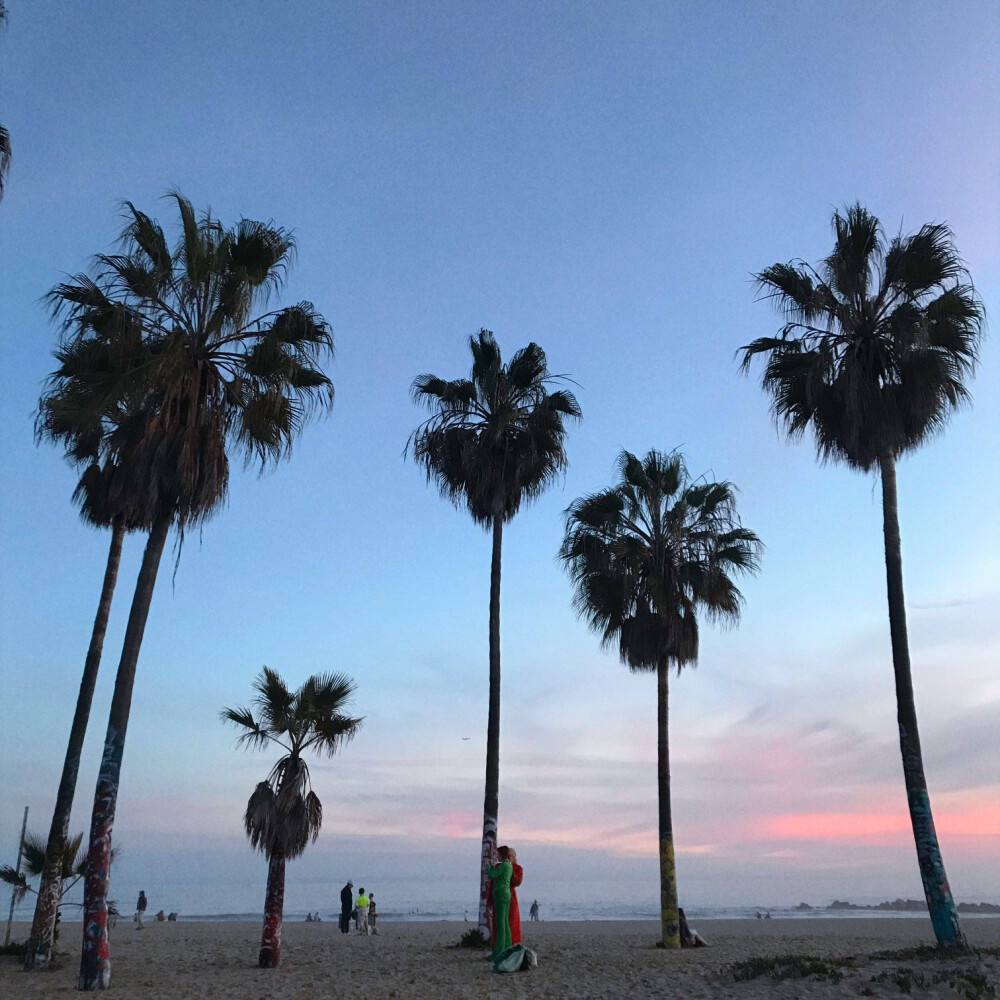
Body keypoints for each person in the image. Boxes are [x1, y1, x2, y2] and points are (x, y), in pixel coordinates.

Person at [485, 845, 513, 960]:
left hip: (500, 894)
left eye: (498, 854)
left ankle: (499, 951)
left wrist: (487, 865)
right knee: (505, 923)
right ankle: (508, 947)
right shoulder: (508, 866)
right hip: (505, 894)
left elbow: (492, 874)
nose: (497, 856)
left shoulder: (504, 865)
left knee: (500, 924)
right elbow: (496, 873)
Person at [507, 847, 523, 945]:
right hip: (501, 894)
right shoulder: (500, 866)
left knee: (512, 921)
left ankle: (512, 943)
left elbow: (517, 882)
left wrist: (511, 868)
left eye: (510, 856)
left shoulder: (517, 868)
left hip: (511, 896)